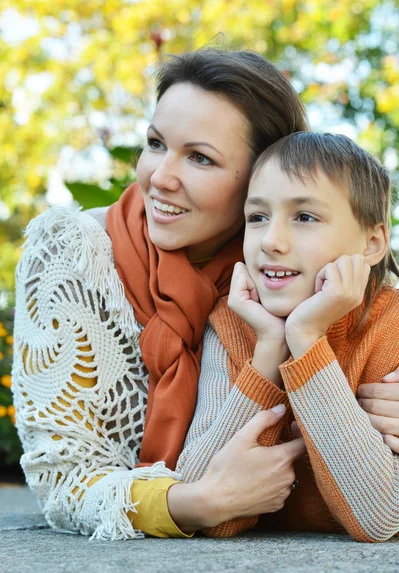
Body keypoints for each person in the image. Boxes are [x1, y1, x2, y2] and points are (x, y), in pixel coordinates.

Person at [11, 48, 399, 541]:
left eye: (200, 157)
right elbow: (62, 478)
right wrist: (196, 503)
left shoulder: (285, 266)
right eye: (155, 143)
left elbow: (367, 298)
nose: (160, 178)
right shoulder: (75, 254)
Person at [185, 131, 399, 542]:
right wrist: (268, 350)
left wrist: (306, 337)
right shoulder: (232, 323)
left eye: (304, 217)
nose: (271, 241)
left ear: (372, 243)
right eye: (258, 217)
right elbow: (202, 503)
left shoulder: (390, 326)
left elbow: (380, 518)